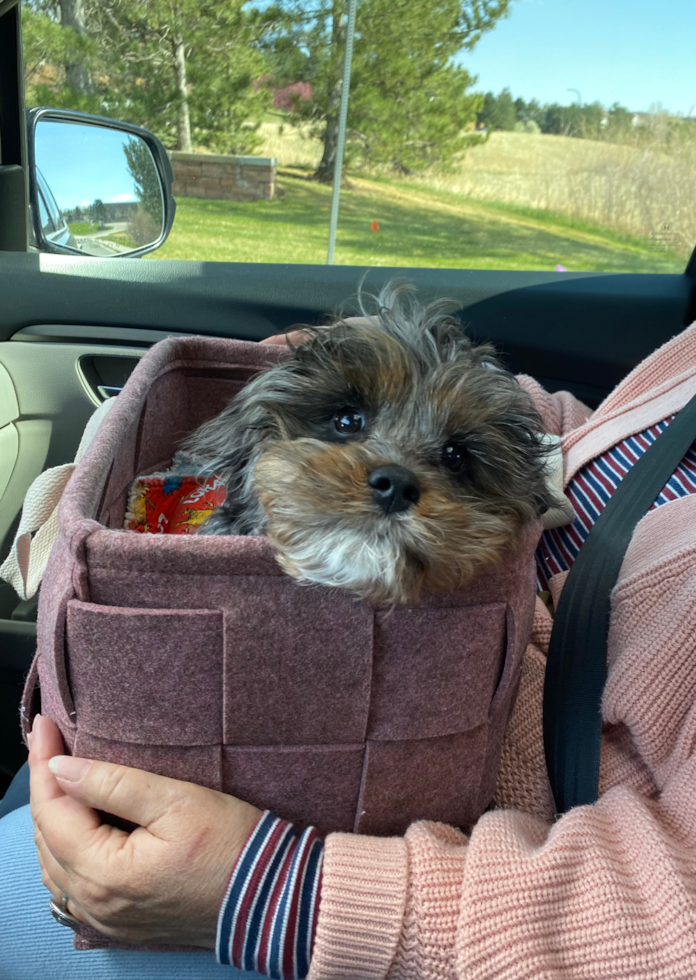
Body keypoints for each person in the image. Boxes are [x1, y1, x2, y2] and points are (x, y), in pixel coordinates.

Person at [1, 321, 696, 979]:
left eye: (449, 459)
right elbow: (611, 445)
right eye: (346, 424)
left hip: (467, 875)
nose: (391, 472)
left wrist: (277, 895)